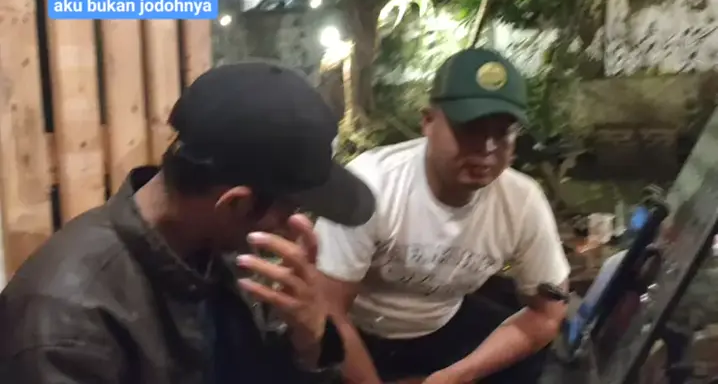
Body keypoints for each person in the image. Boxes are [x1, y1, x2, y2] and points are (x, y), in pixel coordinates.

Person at [0, 62, 376, 384]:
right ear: (235, 203)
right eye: (289, 208)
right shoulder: (67, 323)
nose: (290, 225)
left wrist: (309, 343)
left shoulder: (217, 255)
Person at [315, 48, 571, 384]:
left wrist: (452, 378)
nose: (487, 148)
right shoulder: (371, 186)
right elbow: (328, 311)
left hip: (442, 324)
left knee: (535, 354)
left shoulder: (522, 201)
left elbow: (548, 312)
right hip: (359, 331)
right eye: (471, 129)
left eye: (502, 132)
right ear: (428, 121)